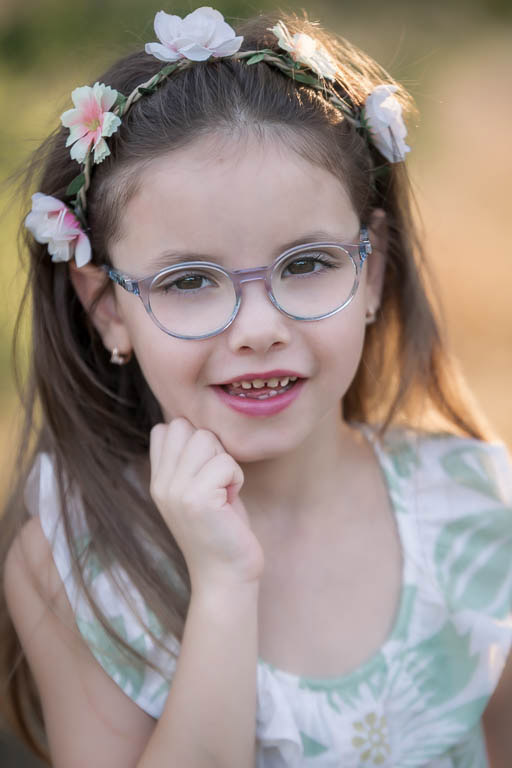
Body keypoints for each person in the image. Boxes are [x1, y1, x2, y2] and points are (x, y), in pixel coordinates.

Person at [1, 6, 511, 767]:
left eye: (305, 264)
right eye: (188, 280)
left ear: (371, 272)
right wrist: (224, 584)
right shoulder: (76, 564)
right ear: (108, 309)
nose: (258, 328)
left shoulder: (473, 508)